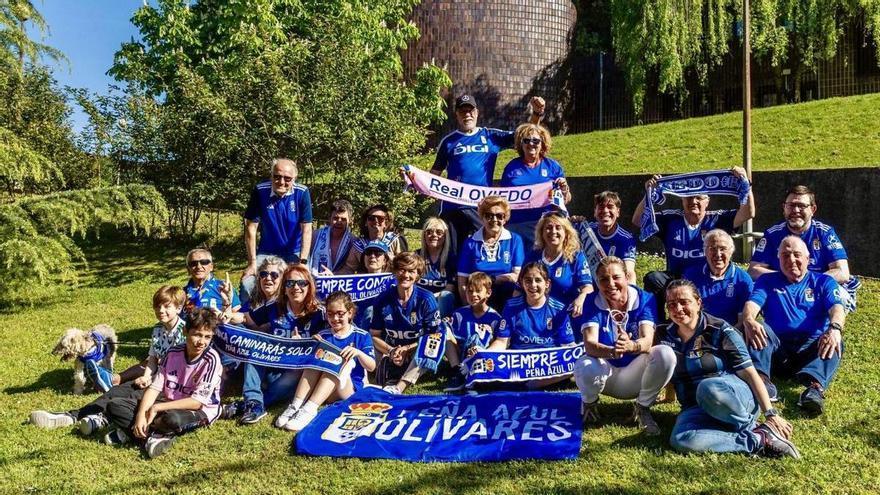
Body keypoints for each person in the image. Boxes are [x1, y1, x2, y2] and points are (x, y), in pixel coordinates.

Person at [658, 280, 799, 458]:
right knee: (681, 439)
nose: (678, 308)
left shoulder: (719, 329)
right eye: (671, 304)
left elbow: (750, 374)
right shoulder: (663, 334)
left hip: (733, 397)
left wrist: (770, 413)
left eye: (684, 302)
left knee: (707, 387)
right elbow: (665, 367)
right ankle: (758, 439)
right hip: (694, 407)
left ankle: (751, 425)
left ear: (698, 303)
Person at [29, 286, 188, 435]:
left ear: (179, 308)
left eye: (167, 306)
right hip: (155, 377)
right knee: (116, 391)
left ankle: (98, 419)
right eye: (158, 306)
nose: (161, 310)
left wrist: (153, 380)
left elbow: (183, 368)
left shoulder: (185, 332)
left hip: (171, 384)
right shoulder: (158, 329)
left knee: (132, 397)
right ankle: (72, 416)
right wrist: (146, 376)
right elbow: (153, 358)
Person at [741, 236, 846, 416]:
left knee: (836, 340)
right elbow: (752, 305)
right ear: (778, 259)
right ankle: (762, 381)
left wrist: (835, 328)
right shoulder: (767, 281)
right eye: (785, 255)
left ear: (807, 258)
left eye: (797, 255)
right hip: (778, 351)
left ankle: (814, 389)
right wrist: (749, 319)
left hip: (811, 349)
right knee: (757, 327)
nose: (791, 260)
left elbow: (837, 308)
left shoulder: (823, 282)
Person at [573, 257, 676, 436]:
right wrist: (613, 351)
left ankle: (642, 408)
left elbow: (647, 340)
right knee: (584, 364)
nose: (610, 284)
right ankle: (590, 404)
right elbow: (590, 346)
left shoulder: (645, 299)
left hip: (635, 374)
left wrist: (631, 346)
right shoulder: (592, 300)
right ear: (597, 282)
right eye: (604, 279)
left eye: (616, 277)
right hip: (606, 373)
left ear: (627, 277)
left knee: (665, 354)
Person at [631, 167, 755, 316]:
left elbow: (748, 212)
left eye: (699, 197)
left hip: (704, 278)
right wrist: (648, 193)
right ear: (682, 199)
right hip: (676, 278)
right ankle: (658, 324)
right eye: (689, 197)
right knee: (653, 278)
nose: (694, 201)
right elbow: (638, 220)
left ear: (707, 201)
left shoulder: (717, 219)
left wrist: (745, 183)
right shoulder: (671, 219)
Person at [431, 94, 545, 251]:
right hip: (452, 208)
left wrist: (537, 114)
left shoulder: (490, 136)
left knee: (482, 250)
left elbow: (524, 135)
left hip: (479, 207)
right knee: (453, 255)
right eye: (463, 111)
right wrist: (415, 178)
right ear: (457, 114)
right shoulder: (448, 141)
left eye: (470, 111)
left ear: (477, 113)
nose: (467, 115)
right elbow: (434, 175)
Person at [234, 264, 326, 426]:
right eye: (290, 283)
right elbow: (247, 318)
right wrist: (227, 316)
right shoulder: (275, 307)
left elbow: (327, 346)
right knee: (254, 349)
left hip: (298, 375)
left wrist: (304, 346)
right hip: (273, 367)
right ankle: (253, 401)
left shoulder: (319, 313)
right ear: (283, 288)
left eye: (301, 283)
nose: (296, 287)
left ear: (309, 286)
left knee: (297, 372)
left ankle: (256, 404)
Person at [276, 291, 376, 432]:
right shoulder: (324, 335)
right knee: (315, 358)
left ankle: (309, 410)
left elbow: (371, 367)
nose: (335, 318)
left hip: (347, 390)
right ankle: (296, 405)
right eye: (330, 314)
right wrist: (300, 345)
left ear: (350, 313)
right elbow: (303, 363)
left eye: (340, 313)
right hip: (325, 391)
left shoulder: (361, 335)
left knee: (337, 362)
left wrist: (358, 353)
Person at [748, 185, 858, 310]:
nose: (796, 210)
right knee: (751, 291)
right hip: (782, 287)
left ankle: (830, 326)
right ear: (784, 208)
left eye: (801, 206)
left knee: (841, 296)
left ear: (813, 209)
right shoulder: (772, 234)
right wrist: (788, 278)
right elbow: (754, 270)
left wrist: (807, 282)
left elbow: (842, 272)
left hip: (817, 286)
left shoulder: (825, 233)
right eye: (791, 205)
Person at [241, 158, 313, 303]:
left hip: (295, 253)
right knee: (247, 284)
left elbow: (306, 229)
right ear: (271, 176)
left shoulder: (302, 192)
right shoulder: (260, 191)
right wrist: (252, 263)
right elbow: (251, 227)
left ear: (294, 179)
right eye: (277, 176)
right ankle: (245, 320)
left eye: (287, 178)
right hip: (266, 252)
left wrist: (303, 262)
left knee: (302, 285)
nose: (281, 182)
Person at [493, 262, 576, 389]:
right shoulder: (511, 306)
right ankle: (527, 383)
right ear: (521, 283)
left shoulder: (559, 310)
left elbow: (568, 347)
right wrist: (483, 354)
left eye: (538, 280)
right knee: (487, 364)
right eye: (528, 280)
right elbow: (501, 342)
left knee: (579, 361)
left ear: (547, 284)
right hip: (520, 364)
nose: (533, 285)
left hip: (548, 366)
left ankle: (534, 384)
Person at [370, 252, 443, 394]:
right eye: (401, 269)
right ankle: (381, 373)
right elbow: (374, 335)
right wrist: (391, 351)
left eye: (411, 271)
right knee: (366, 344)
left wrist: (408, 349)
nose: (406, 275)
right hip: (391, 346)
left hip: (416, 348)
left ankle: (398, 387)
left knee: (432, 345)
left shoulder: (426, 299)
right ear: (394, 271)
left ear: (418, 275)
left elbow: (434, 336)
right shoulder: (383, 299)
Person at [499, 123, 571, 247]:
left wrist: (564, 190)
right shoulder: (511, 167)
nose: (531, 144)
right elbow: (504, 199)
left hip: (544, 226)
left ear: (542, 143)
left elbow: (566, 199)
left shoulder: (552, 166)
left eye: (536, 140)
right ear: (521, 144)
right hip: (517, 225)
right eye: (526, 140)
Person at [457, 196, 525, 311]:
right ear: (482, 217)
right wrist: (470, 310)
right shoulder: (470, 243)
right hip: (478, 299)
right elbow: (462, 283)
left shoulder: (515, 240)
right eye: (489, 215)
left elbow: (516, 277)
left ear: (505, 219)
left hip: (507, 298)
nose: (494, 219)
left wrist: (493, 280)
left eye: (499, 216)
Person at [443, 272, 503, 392]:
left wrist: (482, 348)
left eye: (478, 291)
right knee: (443, 330)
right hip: (461, 354)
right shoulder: (459, 314)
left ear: (488, 293)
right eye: (470, 291)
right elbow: (453, 336)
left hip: (482, 355)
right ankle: (458, 373)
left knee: (479, 337)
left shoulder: (495, 318)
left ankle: (476, 377)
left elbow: (499, 343)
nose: (473, 295)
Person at [682, 229, 753, 327]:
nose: (718, 254)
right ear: (705, 251)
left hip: (730, 333)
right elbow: (685, 312)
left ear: (731, 251)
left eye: (723, 249)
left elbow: (742, 321)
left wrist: (725, 337)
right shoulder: (691, 275)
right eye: (713, 248)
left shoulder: (742, 279)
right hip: (696, 331)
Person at [527, 211, 592, 317]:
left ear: (566, 232)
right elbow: (519, 288)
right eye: (548, 227)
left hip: (566, 316)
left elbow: (587, 287)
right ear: (541, 232)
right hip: (537, 315)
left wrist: (581, 298)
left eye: (558, 227)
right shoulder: (533, 255)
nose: (553, 231)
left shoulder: (575, 256)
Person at [578, 190, 637, 284]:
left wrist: (631, 295)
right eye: (601, 207)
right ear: (595, 212)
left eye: (610, 207)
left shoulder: (626, 239)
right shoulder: (586, 230)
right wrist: (572, 222)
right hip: (585, 286)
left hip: (610, 288)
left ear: (618, 212)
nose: (605, 211)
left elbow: (629, 272)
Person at [341, 204, 408, 274]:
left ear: (386, 223)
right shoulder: (358, 245)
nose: (376, 221)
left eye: (380, 218)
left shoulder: (395, 240)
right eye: (371, 218)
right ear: (366, 222)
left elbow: (405, 265)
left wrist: (393, 260)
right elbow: (349, 268)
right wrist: (332, 278)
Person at [415, 217, 457, 318]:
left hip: (439, 304)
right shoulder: (415, 256)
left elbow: (449, 290)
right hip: (417, 302)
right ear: (424, 235)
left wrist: (429, 298)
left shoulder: (451, 259)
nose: (434, 235)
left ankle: (442, 328)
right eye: (429, 232)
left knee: (446, 296)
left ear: (445, 236)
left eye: (439, 232)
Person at [183, 247, 240, 319]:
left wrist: (227, 304)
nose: (199, 266)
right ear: (188, 269)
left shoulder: (223, 287)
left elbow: (240, 316)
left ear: (211, 267)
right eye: (193, 263)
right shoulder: (181, 293)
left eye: (204, 262)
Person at [353, 241, 394, 331]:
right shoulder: (354, 281)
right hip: (356, 326)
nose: (372, 256)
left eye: (377, 253)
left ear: (385, 261)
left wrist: (394, 261)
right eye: (368, 253)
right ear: (364, 259)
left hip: (382, 327)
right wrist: (331, 278)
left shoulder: (393, 281)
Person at [308, 199, 355, 276]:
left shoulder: (353, 242)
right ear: (330, 218)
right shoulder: (315, 236)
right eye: (335, 218)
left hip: (339, 283)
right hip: (315, 281)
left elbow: (350, 268)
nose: (339, 222)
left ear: (350, 221)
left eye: (343, 219)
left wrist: (334, 275)